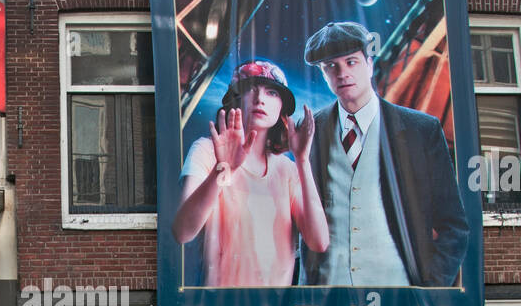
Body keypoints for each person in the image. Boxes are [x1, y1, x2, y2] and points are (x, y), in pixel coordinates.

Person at [296, 21, 469, 287]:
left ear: (370, 64)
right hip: (327, 304)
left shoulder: (421, 131)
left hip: (399, 302)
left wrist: (431, 289)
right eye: (331, 66)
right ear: (323, 73)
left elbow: (454, 227)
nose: (342, 73)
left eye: (351, 62)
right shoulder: (310, 130)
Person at [172, 59, 328, 286]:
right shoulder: (206, 150)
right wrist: (223, 170)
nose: (260, 98)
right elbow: (182, 232)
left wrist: (302, 160)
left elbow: (319, 242)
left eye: (272, 92)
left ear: (282, 109)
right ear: (235, 99)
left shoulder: (287, 168)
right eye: (250, 89)